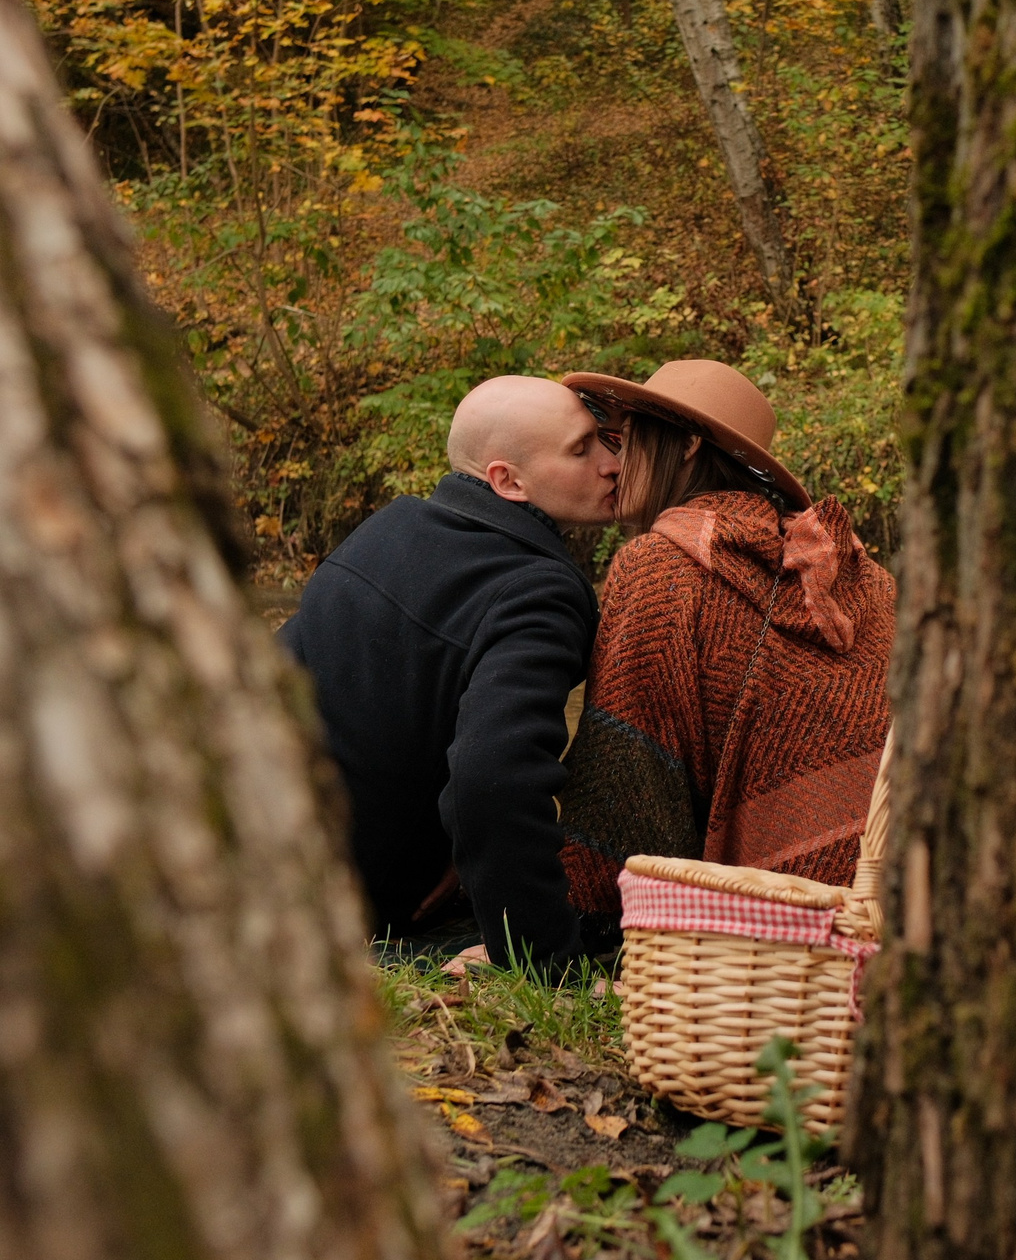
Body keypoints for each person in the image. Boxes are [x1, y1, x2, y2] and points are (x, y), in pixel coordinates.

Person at [280, 375, 620, 972]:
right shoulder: (538, 591)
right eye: (582, 449)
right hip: (371, 914)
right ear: (507, 481)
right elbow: (493, 779)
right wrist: (548, 962)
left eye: (605, 442)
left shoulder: (383, 532)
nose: (611, 464)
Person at [554, 360, 894, 930]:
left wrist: (565, 925)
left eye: (625, 438)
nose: (612, 462)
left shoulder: (661, 568)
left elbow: (628, 776)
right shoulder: (855, 572)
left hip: (763, 936)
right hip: (891, 903)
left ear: (686, 444)